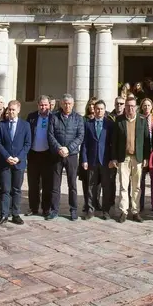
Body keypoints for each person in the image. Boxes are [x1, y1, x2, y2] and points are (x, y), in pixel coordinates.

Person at [112, 96, 151, 222]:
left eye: (132, 106)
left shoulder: (142, 120)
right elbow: (114, 141)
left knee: (137, 186)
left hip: (138, 158)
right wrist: (114, 158)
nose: (130, 108)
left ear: (136, 107)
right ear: (125, 107)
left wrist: (145, 157)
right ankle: (123, 211)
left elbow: (146, 141)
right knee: (124, 185)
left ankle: (135, 211)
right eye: (128, 106)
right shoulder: (119, 120)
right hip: (124, 158)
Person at [0, 99, 31, 225]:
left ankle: (15, 214)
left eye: (13, 110)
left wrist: (18, 157)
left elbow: (27, 144)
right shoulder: (1, 125)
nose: (11, 112)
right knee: (5, 189)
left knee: (16, 189)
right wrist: (6, 156)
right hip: (5, 163)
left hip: (19, 163)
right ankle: (4, 214)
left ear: (18, 110)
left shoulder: (25, 125)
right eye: (9, 109)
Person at [48, 93, 84, 221]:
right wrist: (59, 148)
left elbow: (80, 136)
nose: (67, 105)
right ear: (61, 104)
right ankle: (54, 210)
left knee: (72, 184)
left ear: (73, 104)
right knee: (55, 184)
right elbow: (50, 135)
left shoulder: (79, 118)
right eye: (65, 103)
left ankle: (73, 210)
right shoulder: (54, 117)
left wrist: (68, 148)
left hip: (72, 155)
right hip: (57, 155)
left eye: (69, 103)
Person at [82, 99, 116, 219]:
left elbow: (113, 143)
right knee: (91, 186)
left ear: (104, 110)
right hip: (92, 160)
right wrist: (84, 160)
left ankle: (105, 211)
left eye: (101, 109)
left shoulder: (110, 124)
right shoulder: (88, 124)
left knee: (106, 186)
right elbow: (84, 143)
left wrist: (113, 159)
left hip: (106, 161)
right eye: (97, 108)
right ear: (94, 109)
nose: (99, 111)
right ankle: (90, 210)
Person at [25, 95, 53, 217]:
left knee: (47, 184)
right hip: (33, 154)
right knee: (33, 183)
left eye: (46, 105)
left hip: (48, 154)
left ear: (49, 106)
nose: (43, 107)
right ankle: (33, 207)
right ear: (38, 105)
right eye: (41, 105)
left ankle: (46, 208)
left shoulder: (54, 117)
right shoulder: (31, 117)